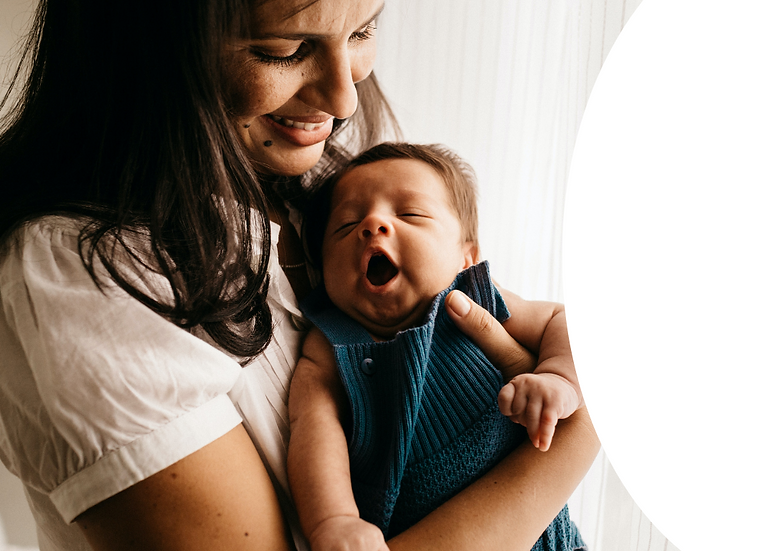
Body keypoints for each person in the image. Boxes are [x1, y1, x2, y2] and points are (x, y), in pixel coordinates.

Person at [0, 0, 599, 550]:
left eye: (363, 30)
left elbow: (567, 330)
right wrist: (584, 427)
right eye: (282, 51)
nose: (345, 101)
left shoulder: (320, 193)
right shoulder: (83, 279)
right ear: (146, 49)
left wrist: (563, 374)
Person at [289, 143, 584, 551]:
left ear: (468, 256)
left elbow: (564, 320)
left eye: (409, 214)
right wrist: (335, 519)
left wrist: (559, 377)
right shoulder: (331, 342)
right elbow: (313, 427)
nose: (373, 223)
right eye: (345, 225)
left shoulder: (473, 298)